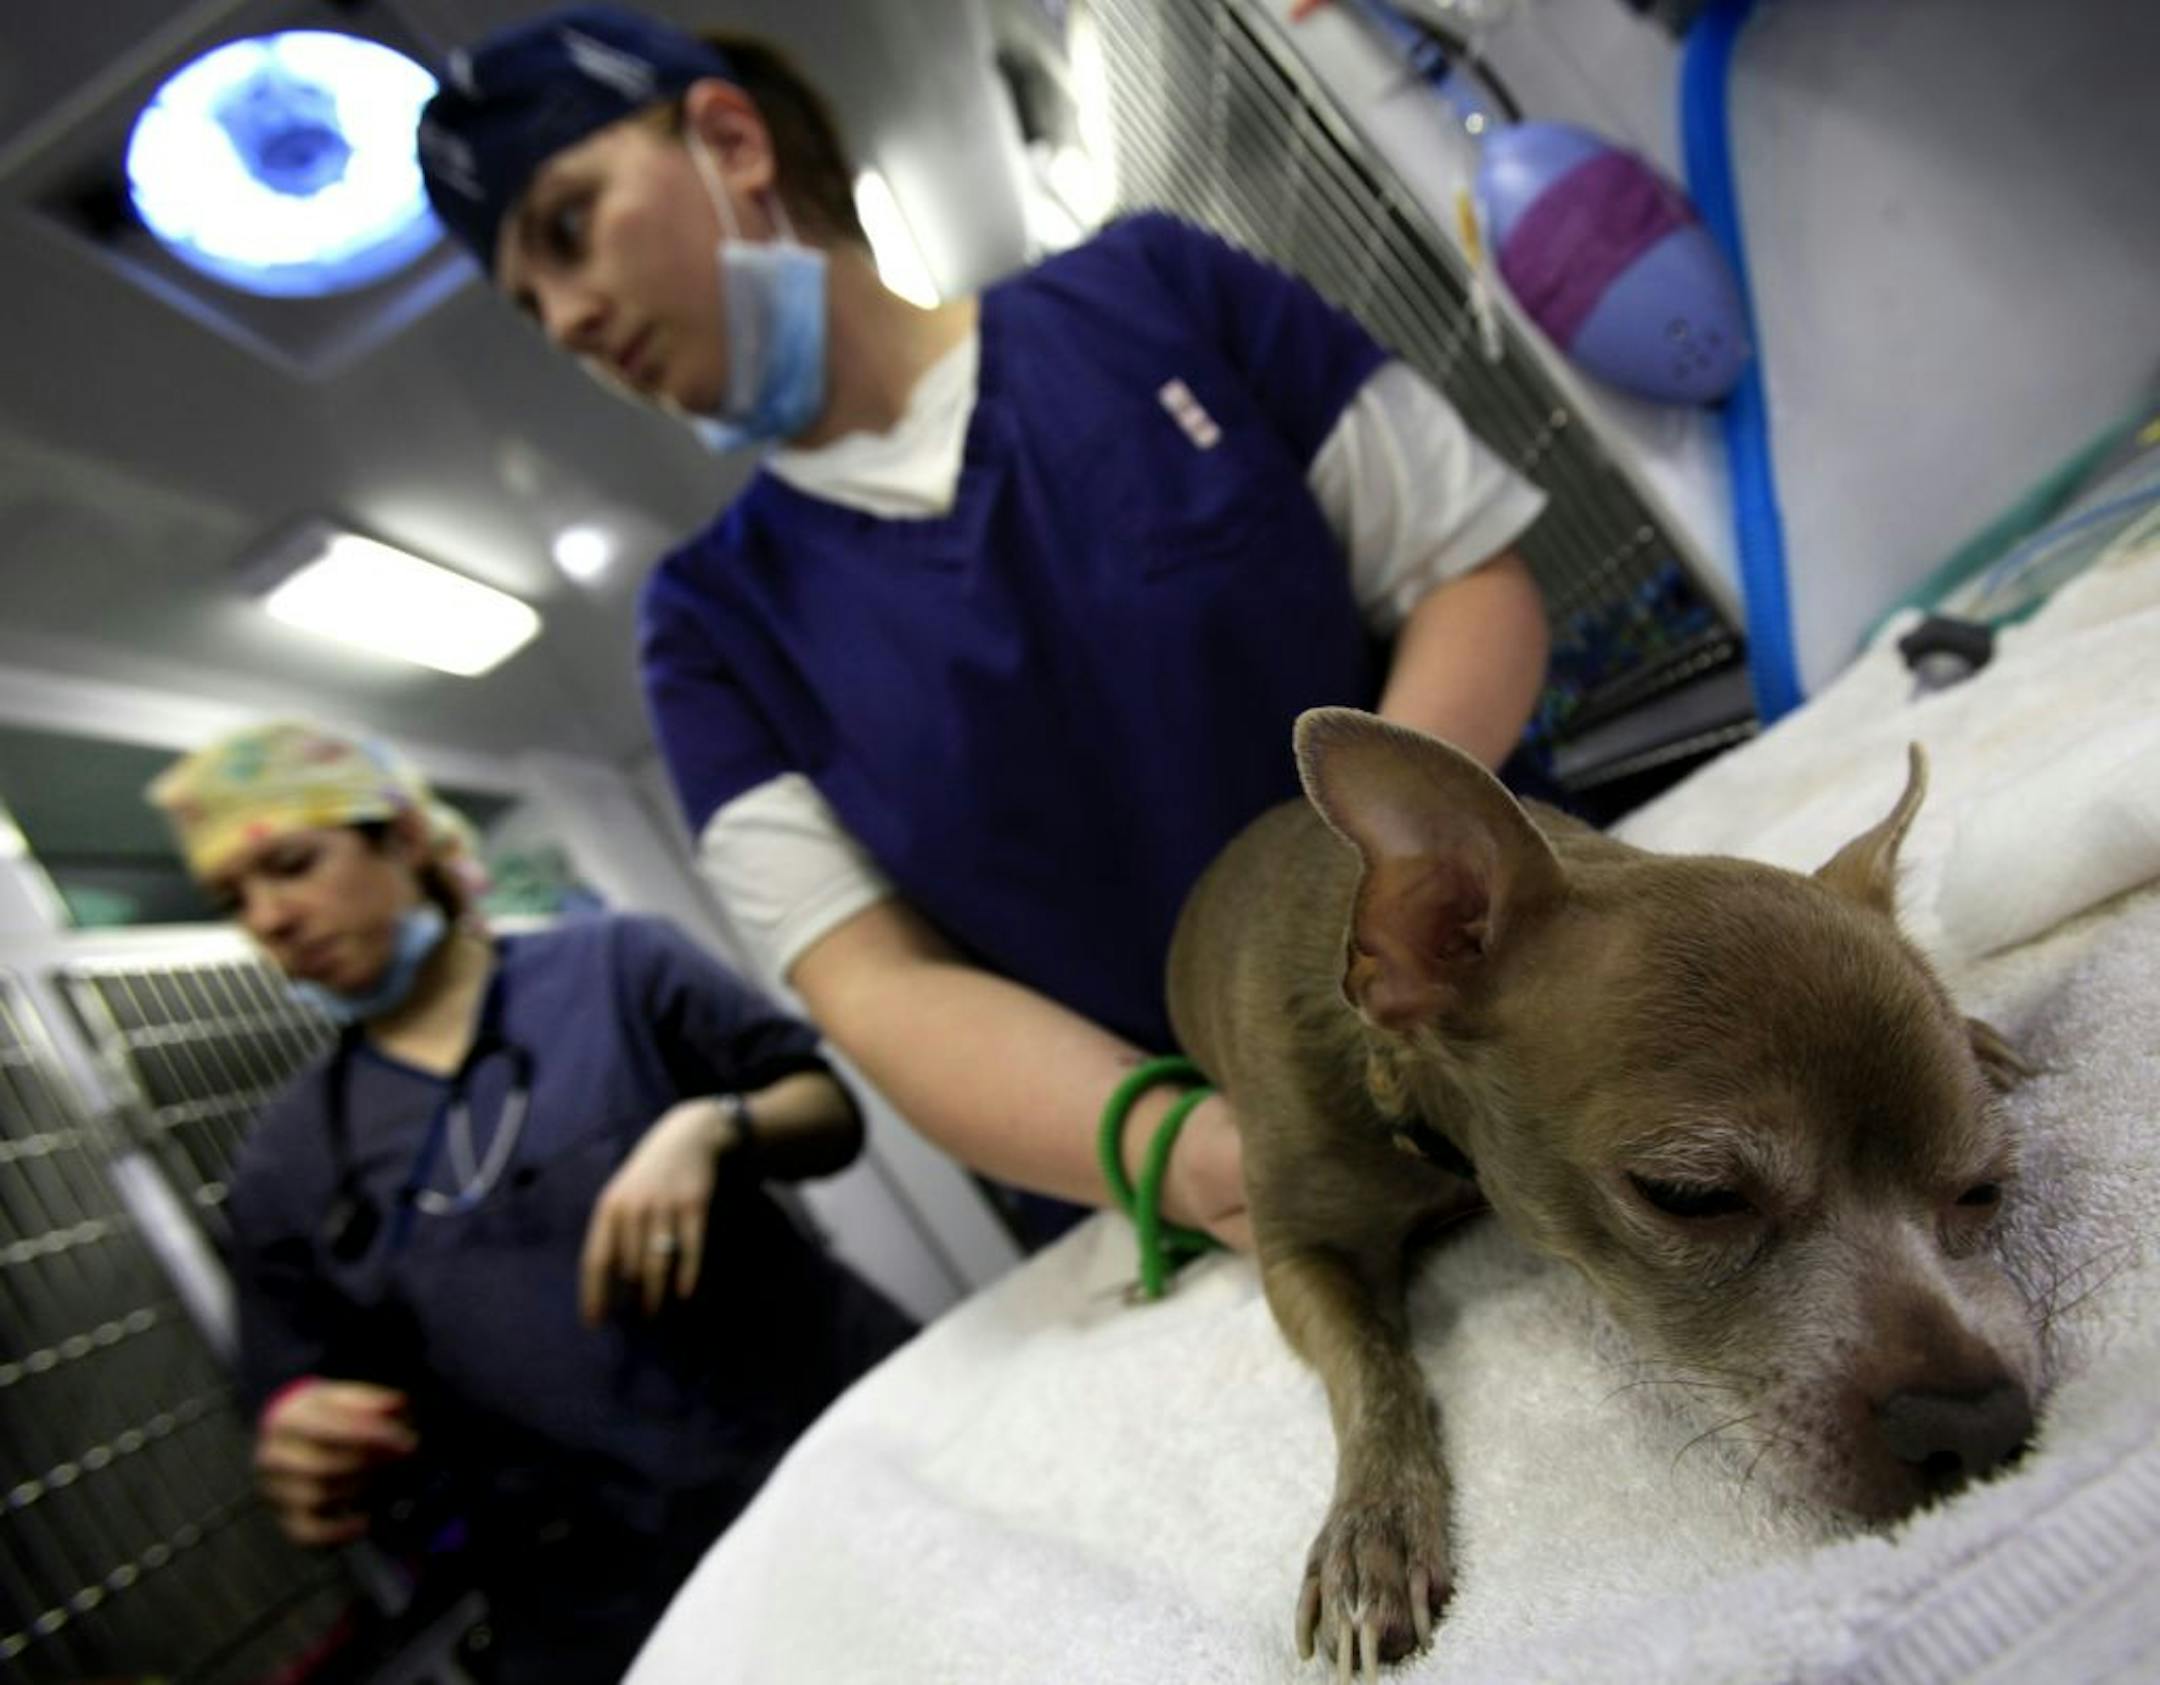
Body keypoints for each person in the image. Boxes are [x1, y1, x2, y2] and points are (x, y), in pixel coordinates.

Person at [416, 6, 1551, 1253]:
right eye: (531, 304)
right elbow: (874, 982)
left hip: (1509, 988)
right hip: (1215, 1184)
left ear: (730, 140)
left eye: (569, 229)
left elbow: (1466, 583)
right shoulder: (707, 631)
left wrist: (1388, 912)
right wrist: (1190, 1151)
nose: (568, 320)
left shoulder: (1154, 296)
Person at [146, 720, 914, 1684]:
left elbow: (828, 1111)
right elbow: (298, 1385)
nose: (268, 917)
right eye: (233, 899)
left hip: (844, 1440)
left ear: (405, 839)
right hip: (608, 1584)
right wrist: (305, 1442)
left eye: (293, 865)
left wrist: (711, 1127)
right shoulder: (286, 1162)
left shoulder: (617, 967)